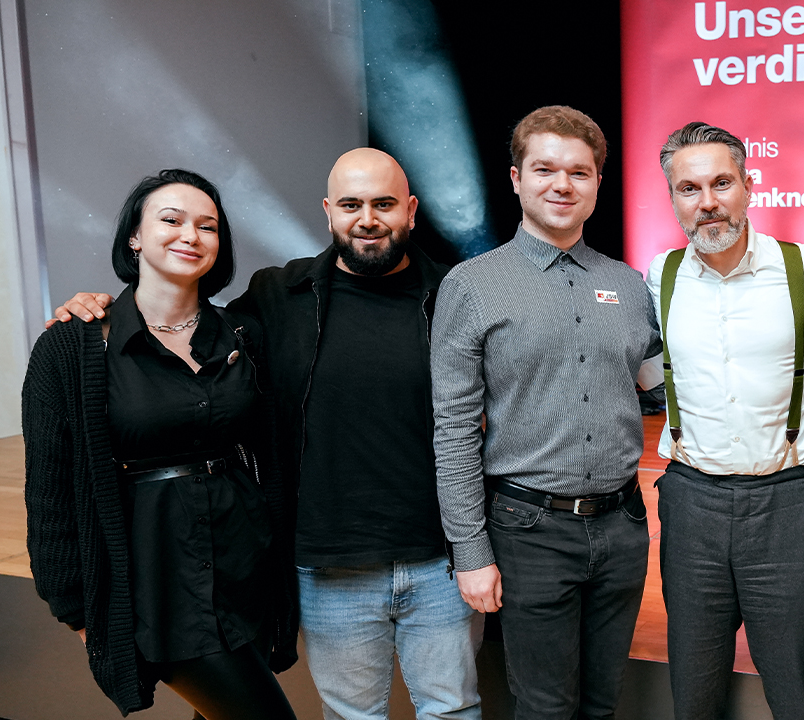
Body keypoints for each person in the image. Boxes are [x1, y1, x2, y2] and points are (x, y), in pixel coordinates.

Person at [51, 149, 481, 720]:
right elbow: (174, 319)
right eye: (351, 204)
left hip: (439, 560)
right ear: (328, 211)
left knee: (452, 710)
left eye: (384, 204)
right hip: (327, 564)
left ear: (411, 209)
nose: (367, 219)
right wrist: (95, 306)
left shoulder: (456, 293)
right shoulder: (279, 295)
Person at [24, 169, 299, 718]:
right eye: (171, 220)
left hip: (245, 567)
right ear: (134, 235)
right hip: (155, 582)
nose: (190, 235)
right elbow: (49, 491)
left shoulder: (242, 334)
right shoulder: (75, 346)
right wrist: (75, 607)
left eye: (208, 226)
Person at [430, 105, 662, 720]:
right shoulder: (471, 285)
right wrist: (470, 551)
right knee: (544, 709)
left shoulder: (630, 285)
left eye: (579, 173)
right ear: (516, 178)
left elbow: (658, 386)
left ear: (598, 184)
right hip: (528, 531)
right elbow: (453, 429)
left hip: (622, 528)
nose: (563, 185)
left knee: (601, 705)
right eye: (545, 170)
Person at [642, 122, 804, 720]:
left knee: (797, 688)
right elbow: (643, 370)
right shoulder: (661, 275)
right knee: (695, 688)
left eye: (721, 183)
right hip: (691, 500)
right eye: (689, 189)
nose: (708, 202)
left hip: (786, 501)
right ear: (673, 199)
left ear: (748, 186)